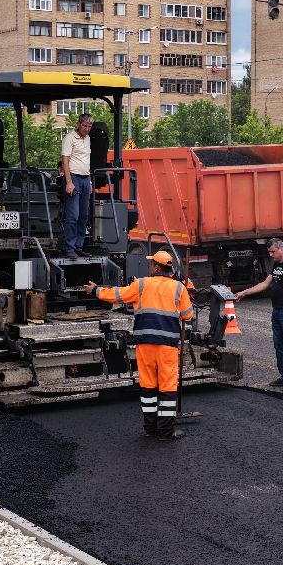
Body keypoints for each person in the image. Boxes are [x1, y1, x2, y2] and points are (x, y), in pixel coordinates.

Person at [83, 250, 193, 439]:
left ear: (157, 267)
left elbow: (117, 295)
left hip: (145, 344)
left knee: (148, 385)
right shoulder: (178, 288)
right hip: (167, 346)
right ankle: (166, 431)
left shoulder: (141, 284)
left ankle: (150, 429)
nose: (150, 266)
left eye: (152, 264)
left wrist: (95, 290)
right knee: (167, 386)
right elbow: (187, 315)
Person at [234, 238, 283, 393]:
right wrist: (244, 292)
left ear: (281, 248)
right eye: (269, 252)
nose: (271, 255)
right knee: (279, 345)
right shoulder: (277, 265)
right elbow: (265, 284)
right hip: (277, 310)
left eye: (273, 251)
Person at [60, 113, 94, 256]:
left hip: (85, 179)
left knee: (83, 215)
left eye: (89, 126)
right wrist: (69, 182)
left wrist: (90, 181)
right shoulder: (69, 138)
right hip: (73, 178)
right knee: (73, 215)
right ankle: (69, 248)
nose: (87, 129)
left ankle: (79, 247)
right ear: (78, 124)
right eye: (84, 125)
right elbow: (65, 161)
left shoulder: (88, 139)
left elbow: (86, 160)